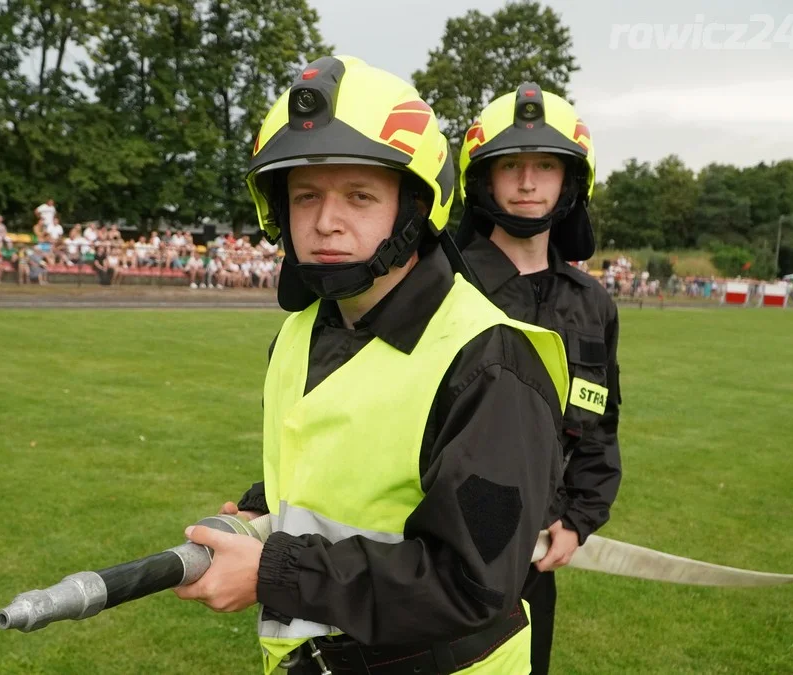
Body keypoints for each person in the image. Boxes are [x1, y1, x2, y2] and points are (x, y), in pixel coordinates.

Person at [171, 56, 570, 675]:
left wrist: (275, 571)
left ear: (415, 207)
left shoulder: (490, 361)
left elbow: (471, 583)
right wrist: (264, 512)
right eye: (305, 197)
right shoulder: (300, 333)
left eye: (359, 196)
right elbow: (349, 469)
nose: (326, 222)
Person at [455, 83, 622, 675]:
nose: (527, 182)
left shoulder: (592, 305)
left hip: (533, 564)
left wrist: (578, 519)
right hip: (432, 552)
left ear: (571, 182)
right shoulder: (440, 287)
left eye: (545, 166)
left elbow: (599, 427)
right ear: (484, 179)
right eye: (511, 166)